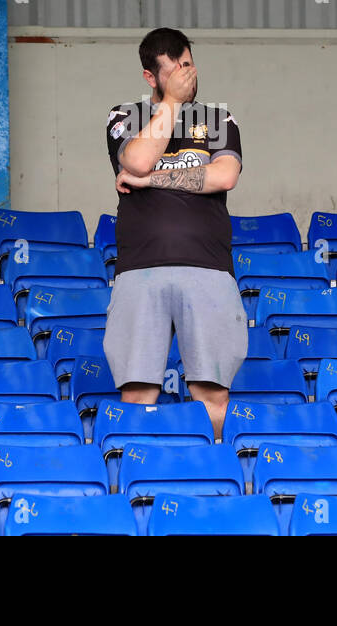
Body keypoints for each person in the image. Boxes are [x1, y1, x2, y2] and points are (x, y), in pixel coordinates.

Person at [103, 27, 246, 440]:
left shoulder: (218, 118)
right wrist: (171, 103)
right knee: (138, 392)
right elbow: (137, 159)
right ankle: (144, 478)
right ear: (151, 77)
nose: (186, 75)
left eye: (187, 63)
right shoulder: (124, 116)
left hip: (208, 267)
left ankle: (208, 475)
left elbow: (225, 176)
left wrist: (152, 180)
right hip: (140, 270)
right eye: (173, 70)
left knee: (212, 392)